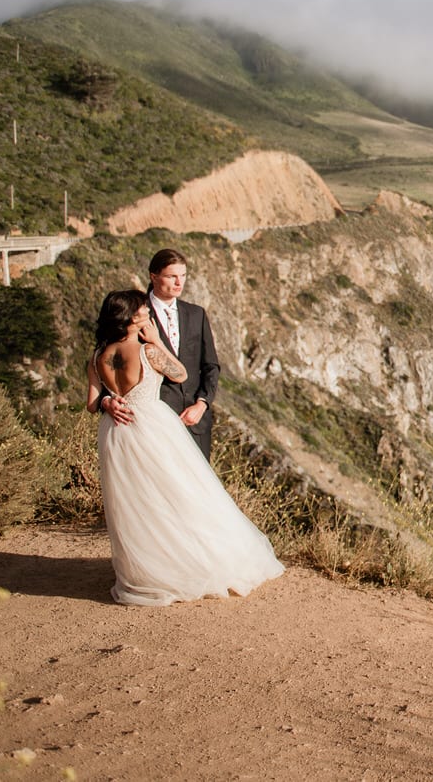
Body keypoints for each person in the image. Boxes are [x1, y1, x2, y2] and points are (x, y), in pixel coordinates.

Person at [87, 289, 282, 606]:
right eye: (143, 311)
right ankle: (183, 563)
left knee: (135, 503)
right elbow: (180, 374)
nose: (148, 313)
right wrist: (157, 342)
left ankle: (143, 572)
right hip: (151, 426)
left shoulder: (97, 358)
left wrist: (109, 401)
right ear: (132, 317)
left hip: (116, 433)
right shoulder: (148, 351)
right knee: (177, 494)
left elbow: (92, 403)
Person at [146, 247, 220, 461]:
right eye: (171, 276)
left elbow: (211, 366)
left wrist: (202, 403)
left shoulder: (196, 314)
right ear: (154, 276)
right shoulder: (137, 312)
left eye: (183, 276)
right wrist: (108, 400)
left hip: (195, 422)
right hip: (155, 421)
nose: (180, 283)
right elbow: (113, 359)